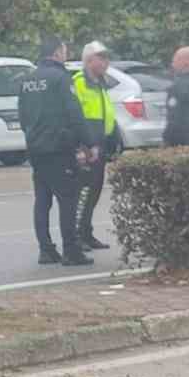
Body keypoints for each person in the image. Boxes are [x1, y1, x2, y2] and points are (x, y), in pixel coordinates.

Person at [18, 35, 94, 266]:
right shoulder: (61, 78)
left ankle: (46, 250)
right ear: (57, 52)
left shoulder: (27, 80)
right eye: (64, 50)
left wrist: (32, 137)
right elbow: (74, 113)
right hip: (59, 149)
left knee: (42, 200)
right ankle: (71, 251)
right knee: (67, 200)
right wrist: (88, 142)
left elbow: (22, 116)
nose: (66, 54)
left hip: (35, 148)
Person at [71, 42, 117, 252]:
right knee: (83, 192)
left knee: (95, 191)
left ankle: (86, 233)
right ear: (89, 61)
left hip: (101, 144)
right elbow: (74, 117)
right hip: (88, 146)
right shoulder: (80, 82)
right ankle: (76, 235)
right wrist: (81, 147)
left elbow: (105, 113)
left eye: (107, 58)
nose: (106, 62)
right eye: (102, 58)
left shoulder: (100, 82)